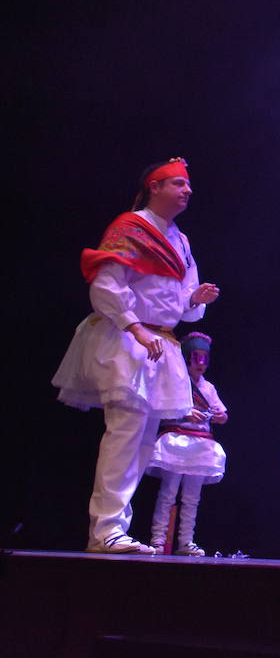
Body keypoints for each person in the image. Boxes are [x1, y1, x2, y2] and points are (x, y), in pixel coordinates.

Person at [53, 158, 220, 554]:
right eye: (178, 184)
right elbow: (107, 285)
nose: (187, 191)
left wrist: (193, 301)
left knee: (143, 442)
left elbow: (180, 306)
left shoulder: (180, 240)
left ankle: (115, 530)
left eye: (188, 185)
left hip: (159, 342)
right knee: (124, 435)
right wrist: (135, 328)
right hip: (129, 339)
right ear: (154, 187)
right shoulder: (128, 228)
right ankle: (105, 529)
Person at [147, 331, 227, 556]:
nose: (200, 364)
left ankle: (186, 541)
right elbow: (161, 411)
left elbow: (223, 414)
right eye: (195, 357)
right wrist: (185, 413)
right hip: (177, 441)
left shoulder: (208, 387)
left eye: (204, 358)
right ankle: (158, 540)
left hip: (201, 446)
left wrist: (219, 415)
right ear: (186, 358)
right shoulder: (176, 383)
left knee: (192, 497)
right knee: (168, 493)